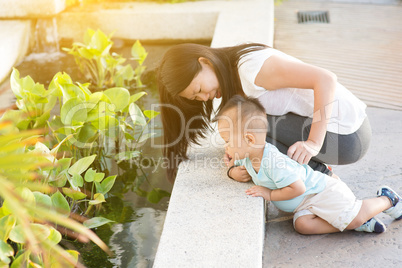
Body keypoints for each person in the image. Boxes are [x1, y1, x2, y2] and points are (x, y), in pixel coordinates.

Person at [157, 43, 371, 181]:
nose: (205, 98)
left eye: (200, 90)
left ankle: (324, 178)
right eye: (196, 98)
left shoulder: (251, 68)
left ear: (204, 62)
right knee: (242, 131)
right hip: (343, 134)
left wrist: (313, 142)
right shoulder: (233, 73)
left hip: (348, 137)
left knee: (247, 128)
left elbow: (325, 78)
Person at [215, 95, 401, 234]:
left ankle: (386, 200)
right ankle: (354, 223)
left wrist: (269, 194)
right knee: (302, 226)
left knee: (355, 215)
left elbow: (297, 187)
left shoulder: (273, 162)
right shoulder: (247, 154)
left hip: (319, 191)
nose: (225, 147)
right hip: (304, 205)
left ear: (249, 138)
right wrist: (232, 172)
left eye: (227, 141)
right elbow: (232, 164)